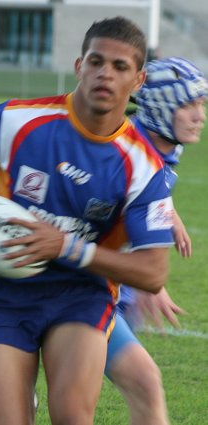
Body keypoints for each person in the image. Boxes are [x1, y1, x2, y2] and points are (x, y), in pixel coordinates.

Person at [0, 17, 175, 425]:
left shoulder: (142, 166)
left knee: (71, 416)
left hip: (80, 292)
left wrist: (65, 246)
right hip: (2, 290)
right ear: (79, 65)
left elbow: (153, 272)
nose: (105, 74)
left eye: (120, 67)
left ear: (138, 81)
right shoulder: (18, 119)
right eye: (96, 61)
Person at [104, 56, 208, 425]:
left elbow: (153, 187)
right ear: (163, 107)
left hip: (110, 289)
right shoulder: (125, 156)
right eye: (190, 105)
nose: (201, 116)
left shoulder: (164, 146)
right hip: (83, 293)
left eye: (202, 105)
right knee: (144, 382)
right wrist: (148, 280)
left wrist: (172, 215)